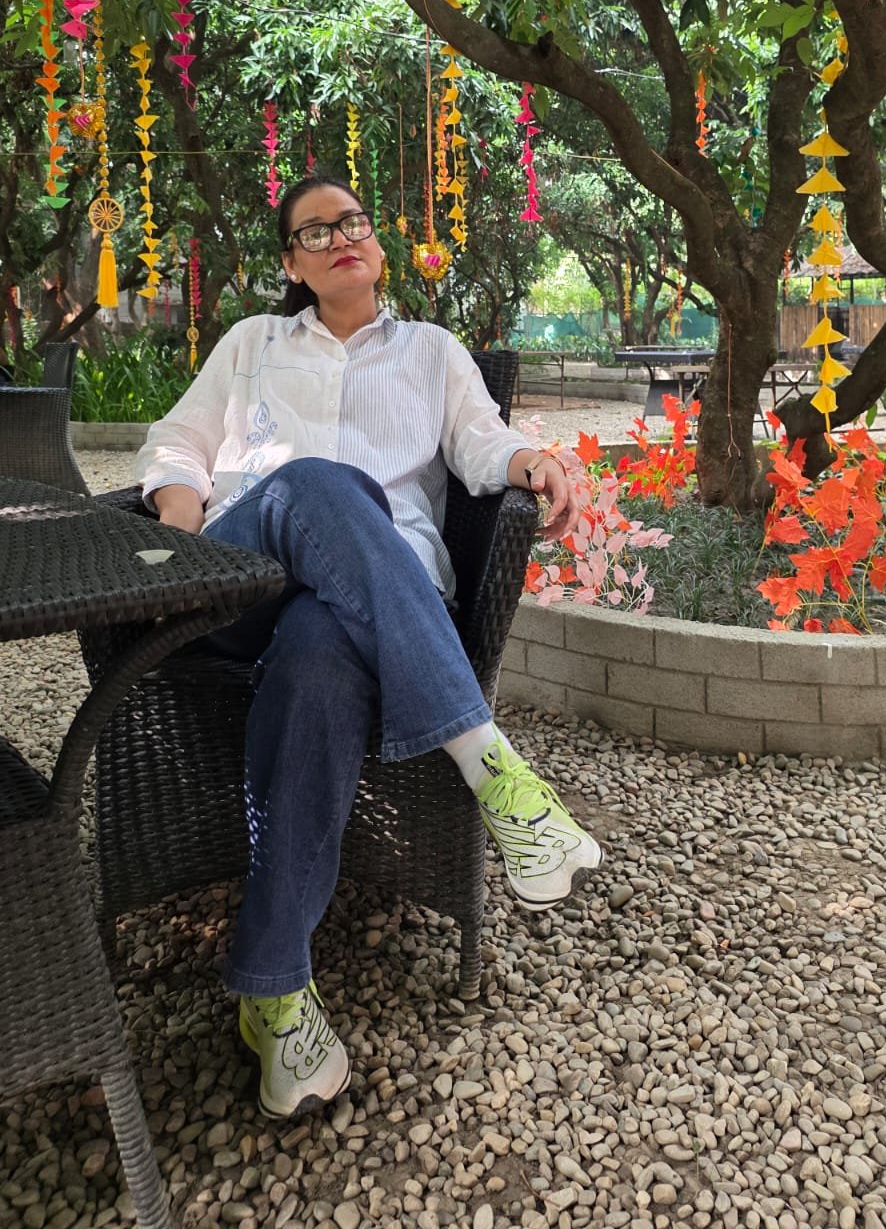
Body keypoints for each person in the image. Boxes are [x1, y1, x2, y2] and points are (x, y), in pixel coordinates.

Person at [136, 176, 603, 1119]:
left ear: (377, 246)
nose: (341, 237)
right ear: (292, 263)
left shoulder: (432, 353)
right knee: (320, 481)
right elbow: (177, 443)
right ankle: (492, 766)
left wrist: (534, 462)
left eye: (353, 222)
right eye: (316, 231)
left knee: (321, 652)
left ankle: (273, 993)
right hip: (244, 576)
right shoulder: (252, 344)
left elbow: (483, 445)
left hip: (365, 602)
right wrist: (182, 533)